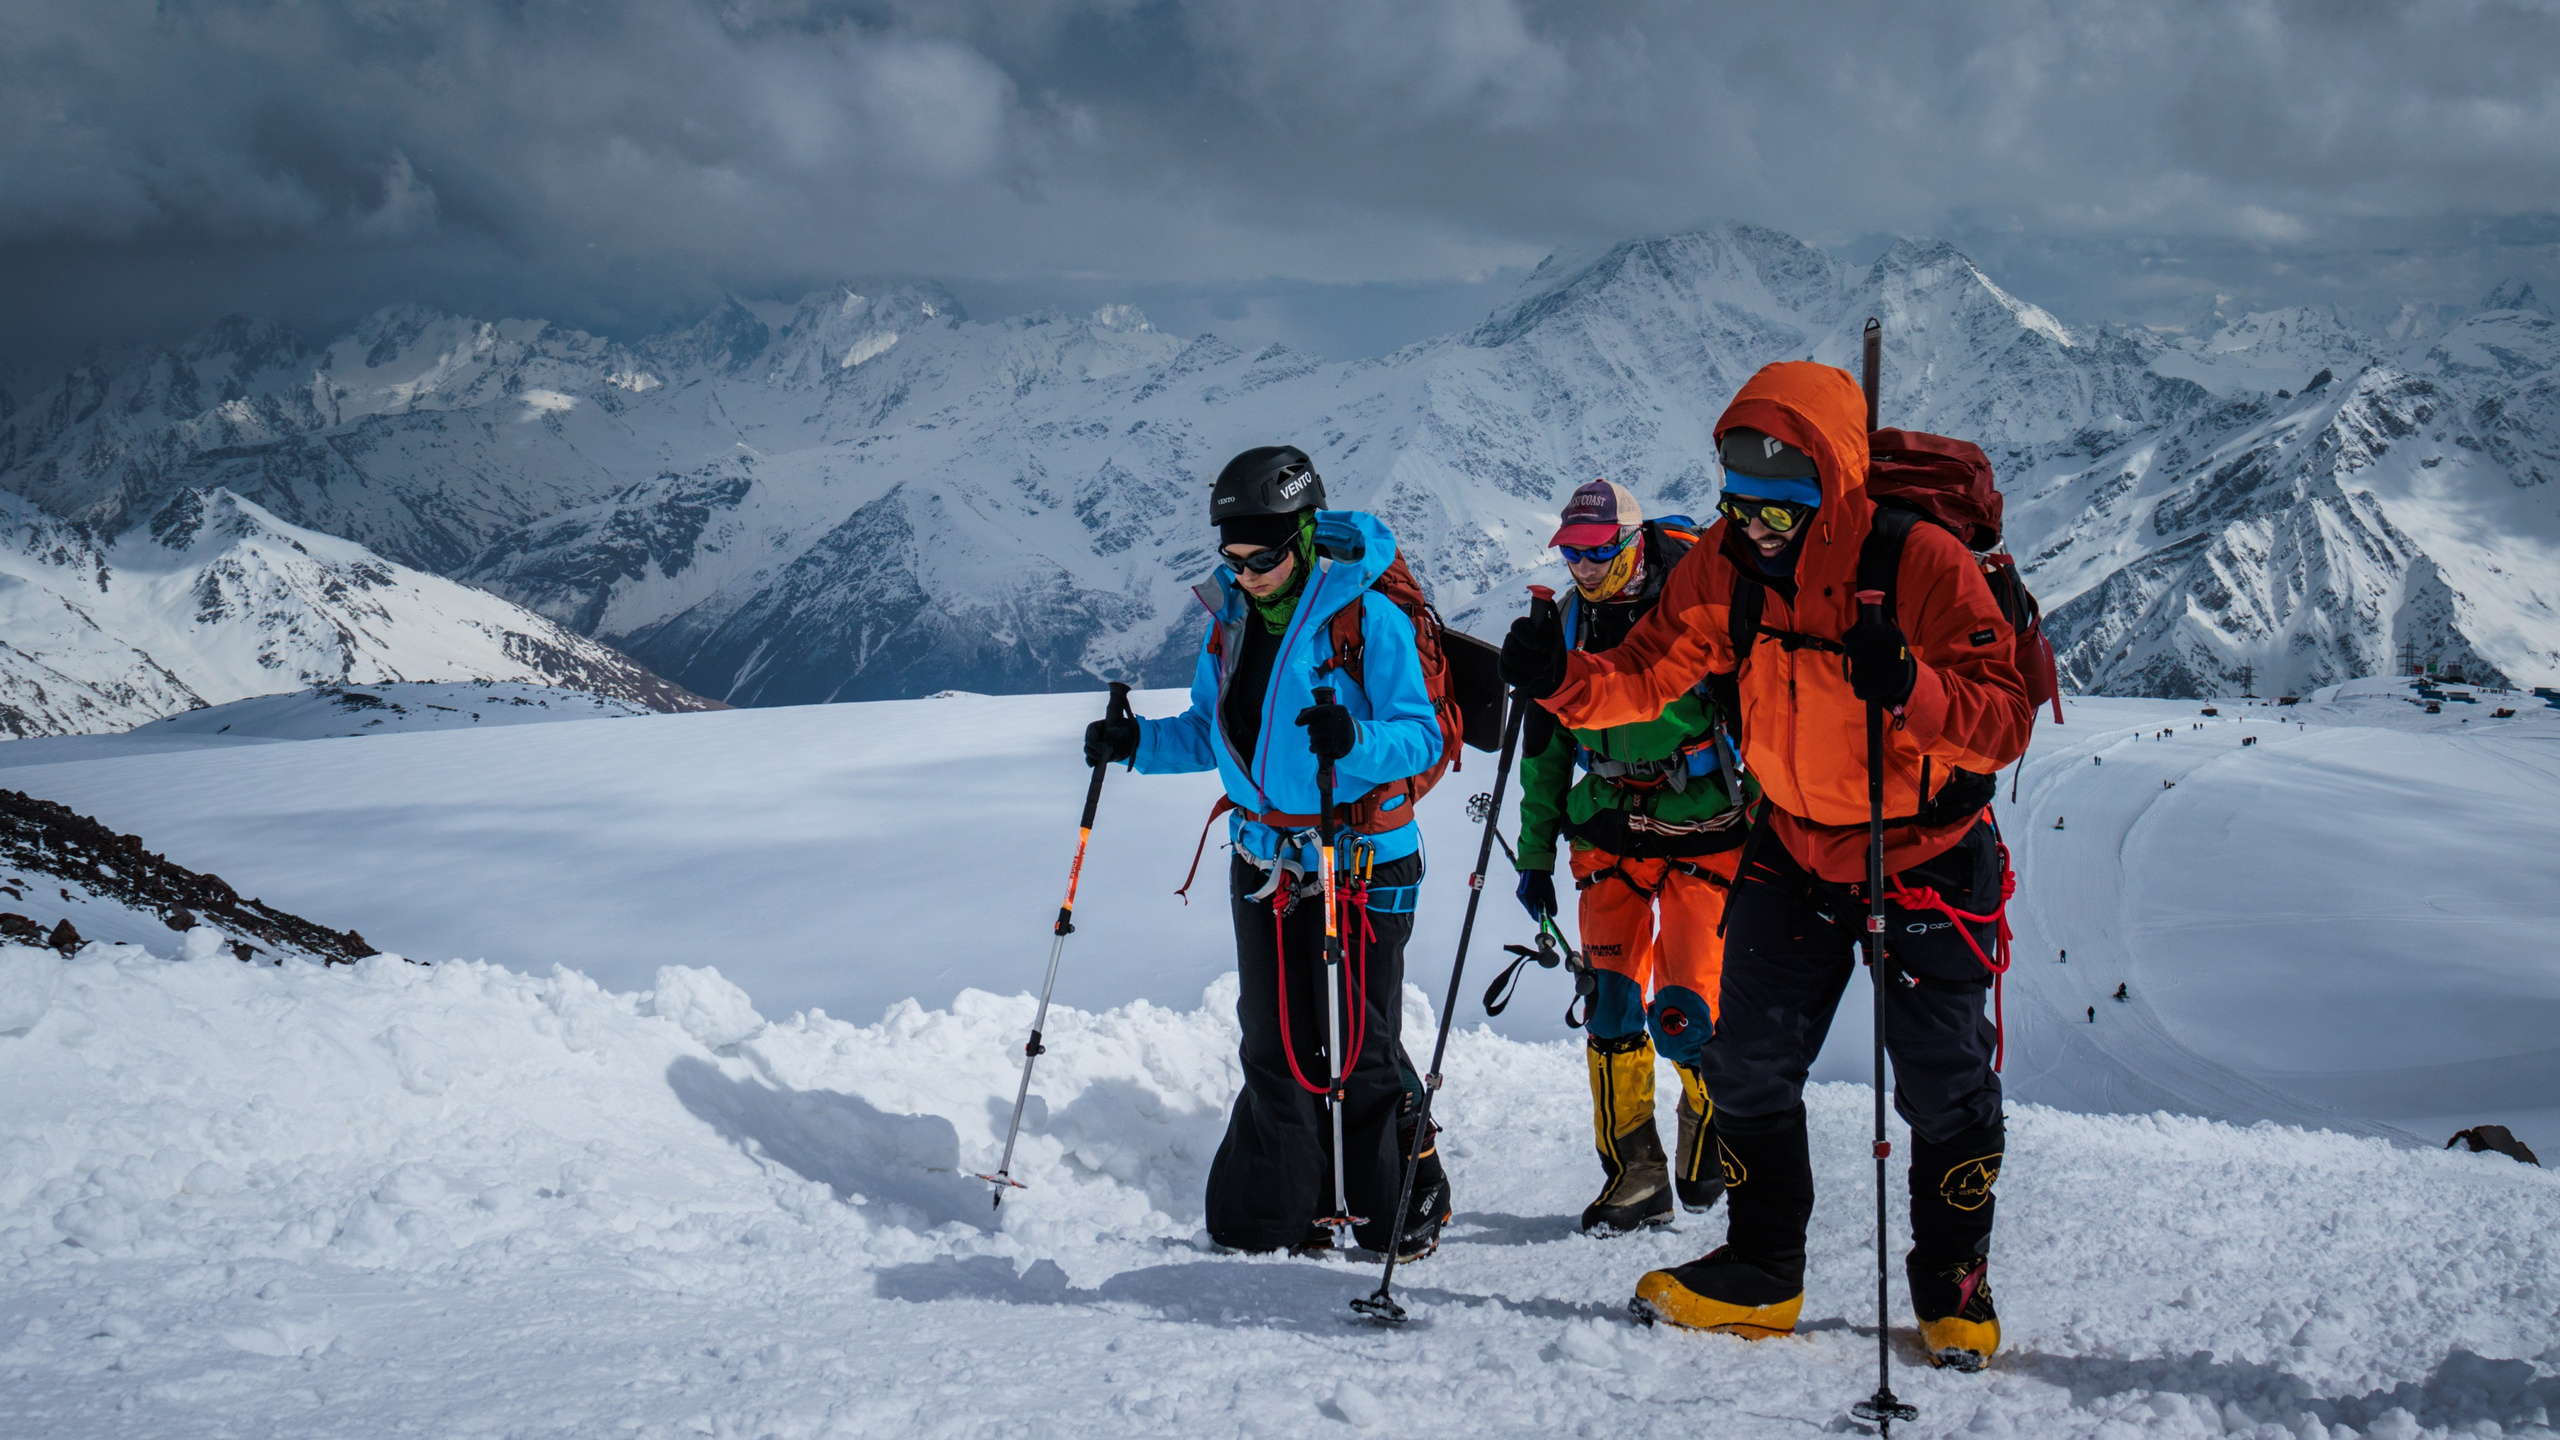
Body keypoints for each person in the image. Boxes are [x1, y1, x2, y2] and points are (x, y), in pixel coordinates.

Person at [1500, 362, 2031, 1370]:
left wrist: (1909, 684)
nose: (1754, 529)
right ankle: (1759, 1269)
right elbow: (1653, 668)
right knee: (1744, 1060)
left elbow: (1999, 720)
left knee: (1940, 1081)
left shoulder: (1915, 563)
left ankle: (1952, 1279)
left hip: (1919, 855)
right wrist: (1564, 680)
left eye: (1777, 514)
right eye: (1737, 506)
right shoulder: (1726, 565)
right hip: (1790, 843)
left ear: (1827, 490)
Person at [1085, 445, 1452, 1259]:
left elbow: (1421, 738)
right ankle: (1274, 1217)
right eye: (1233, 559)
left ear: (1307, 535)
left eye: (1263, 558)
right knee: (1275, 1037)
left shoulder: (1368, 620)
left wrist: (1353, 739)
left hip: (1359, 856)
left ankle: (1404, 1199)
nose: (1246, 574)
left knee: (1361, 1044)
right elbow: (1213, 736)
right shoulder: (1232, 623)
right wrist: (1134, 744)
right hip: (1264, 860)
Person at [1512, 480, 1751, 1234]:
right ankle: (1634, 1176)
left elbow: (1760, 718)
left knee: (1685, 1013)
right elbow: (1546, 750)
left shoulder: (1693, 607)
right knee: (1613, 1006)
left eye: (1597, 551)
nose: (1583, 567)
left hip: (1705, 828)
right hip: (1608, 829)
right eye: (1572, 553)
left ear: (1632, 541)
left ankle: (1711, 1130)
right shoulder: (1569, 627)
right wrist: (1534, 854)